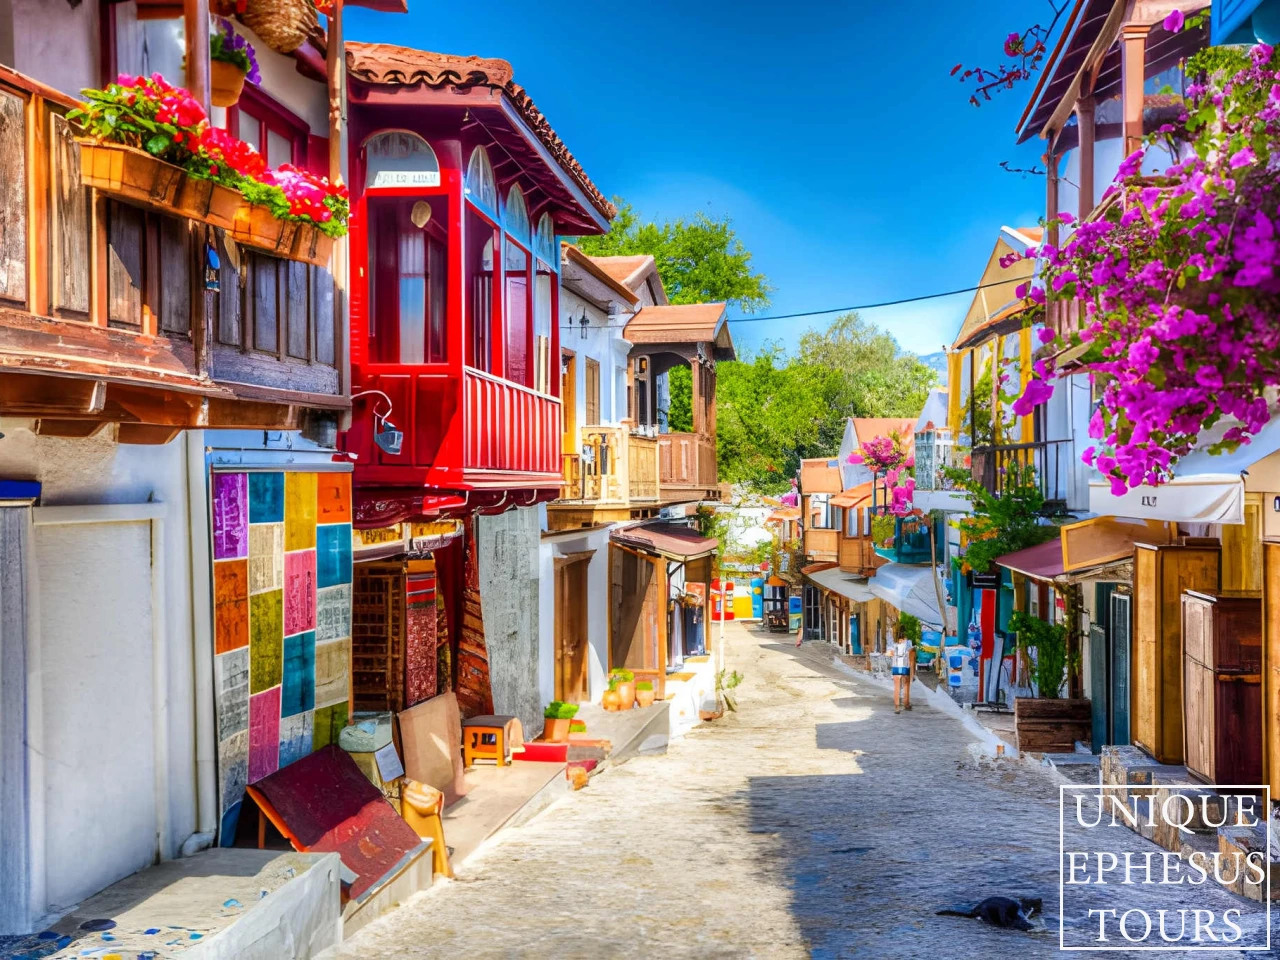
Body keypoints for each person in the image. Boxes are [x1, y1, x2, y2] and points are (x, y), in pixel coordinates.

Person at [890, 632, 914, 714]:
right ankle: (906, 704)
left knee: (897, 687)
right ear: (904, 638)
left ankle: (897, 707)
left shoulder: (893, 645)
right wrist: (913, 673)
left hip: (896, 667)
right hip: (905, 667)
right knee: (906, 685)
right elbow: (912, 659)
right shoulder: (908, 646)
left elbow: (890, 654)